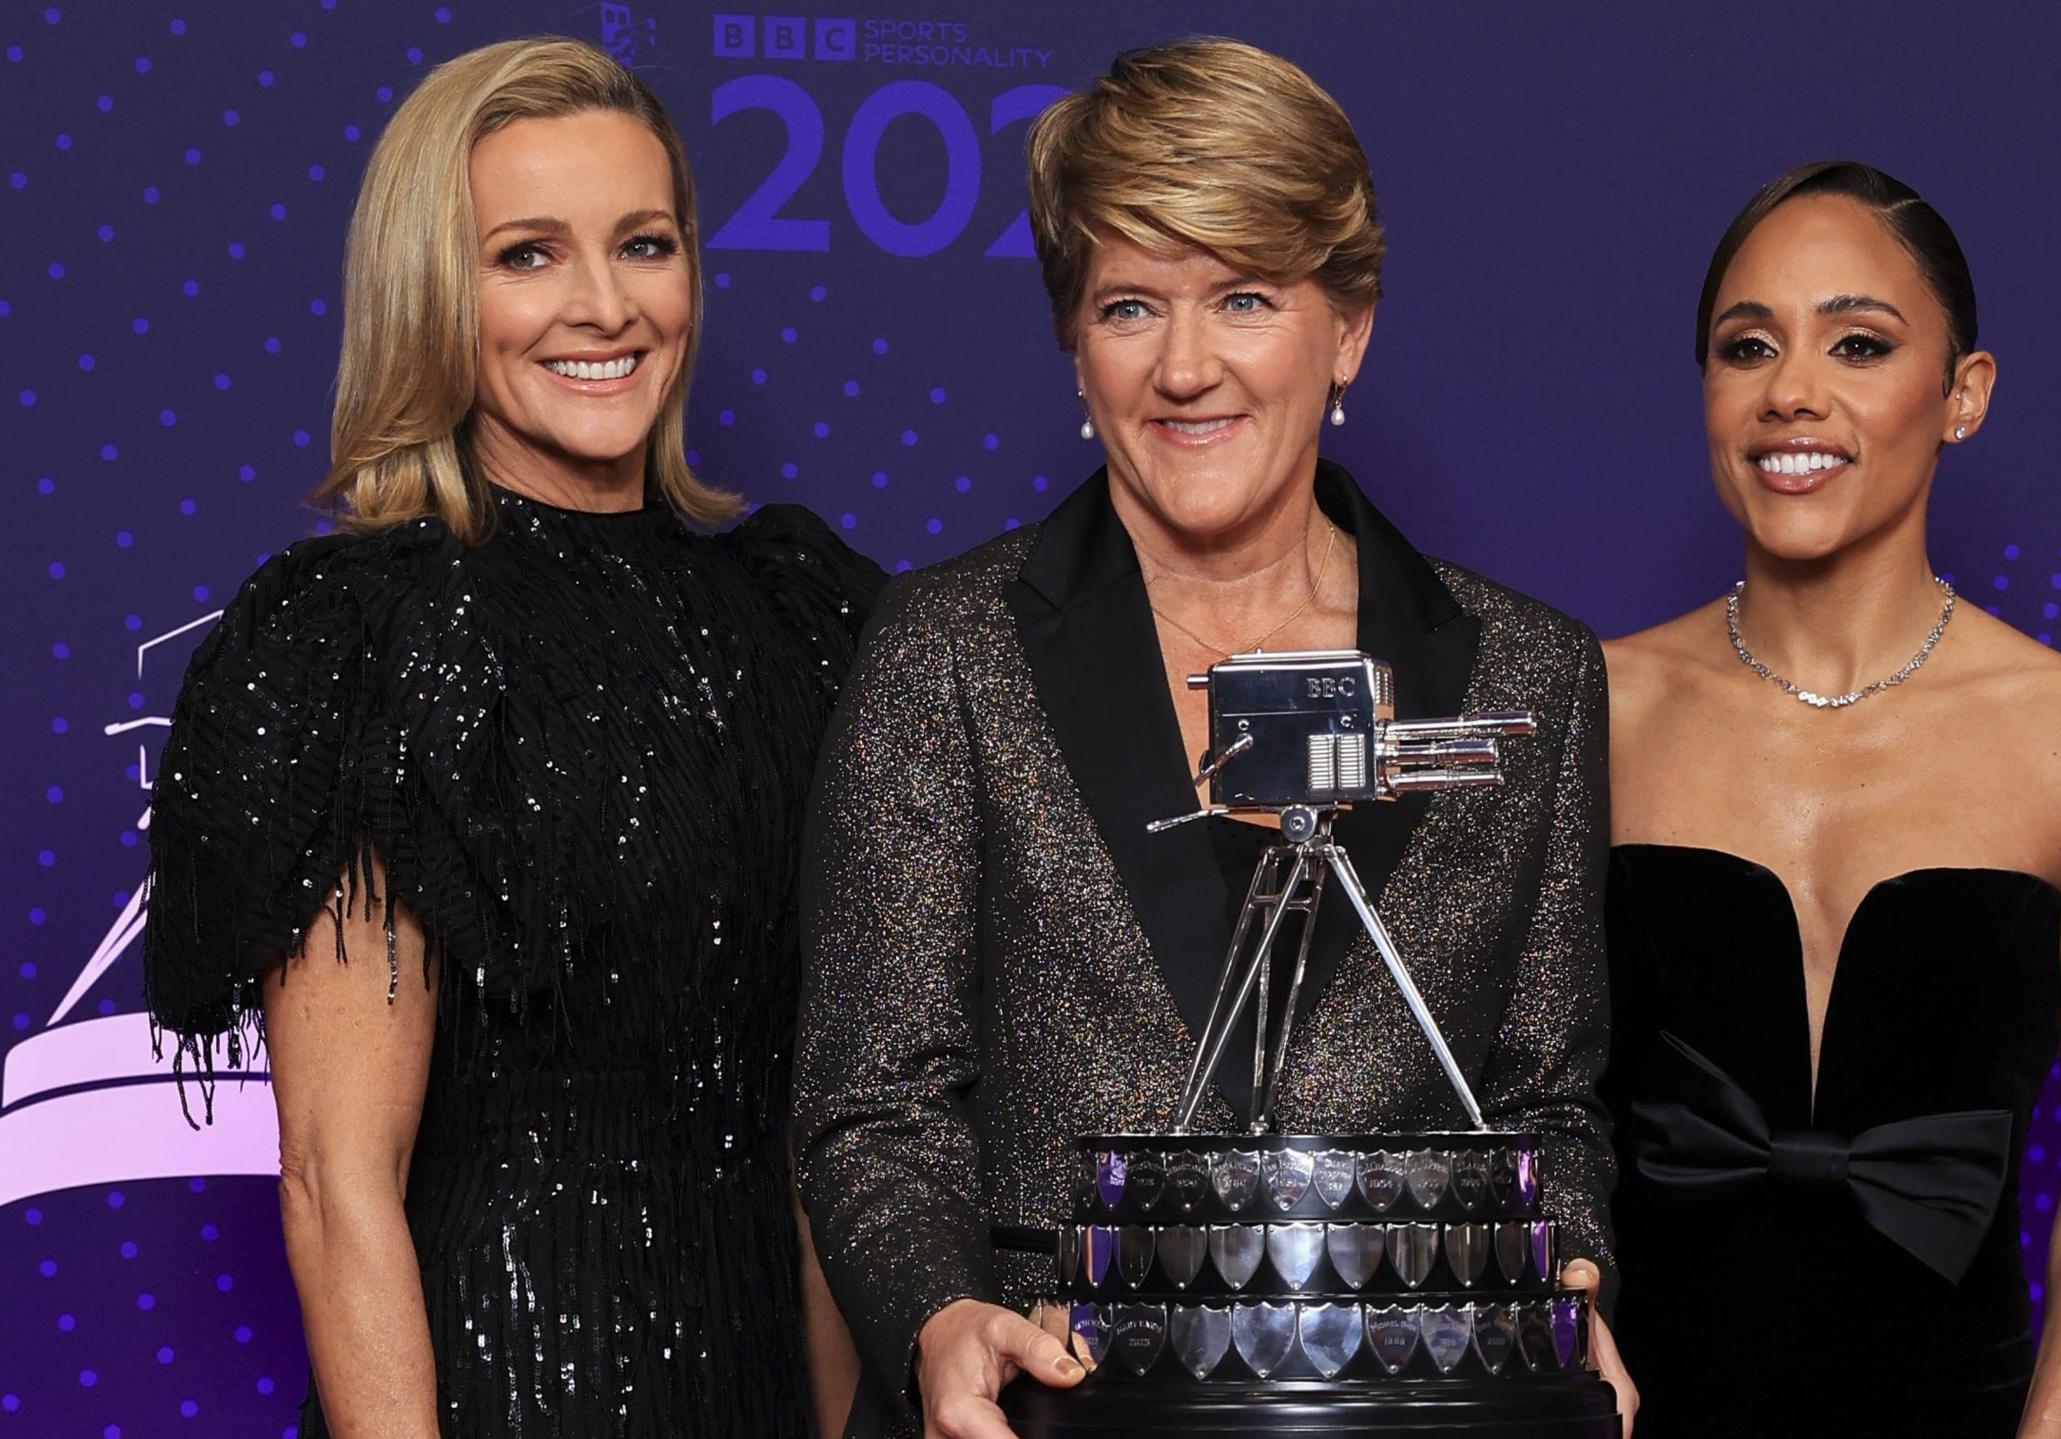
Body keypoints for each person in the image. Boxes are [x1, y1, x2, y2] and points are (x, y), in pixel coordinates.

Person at [793, 38, 1632, 1439]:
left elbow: (1551, 1097)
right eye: (1131, 305)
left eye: (1244, 296)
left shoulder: (1528, 673)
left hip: (1409, 1408)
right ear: (1076, 339)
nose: (1185, 366)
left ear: (1347, 328)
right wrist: (940, 1313)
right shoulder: (942, 649)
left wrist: (1570, 1282)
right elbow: (874, 1100)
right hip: (1047, 1406)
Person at [142, 37, 881, 1438]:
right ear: (432, 291)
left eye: (644, 243)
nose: (604, 305)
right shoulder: (363, 634)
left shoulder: (802, 617)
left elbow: (823, 1149)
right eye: (527, 255)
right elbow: (333, 1177)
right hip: (495, 1390)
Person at [1600, 160, 2061, 1436]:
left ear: (1961, 395)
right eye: (1744, 346)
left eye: (1857, 343)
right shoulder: (1594, 710)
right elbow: (1512, 1115)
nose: (1791, 393)